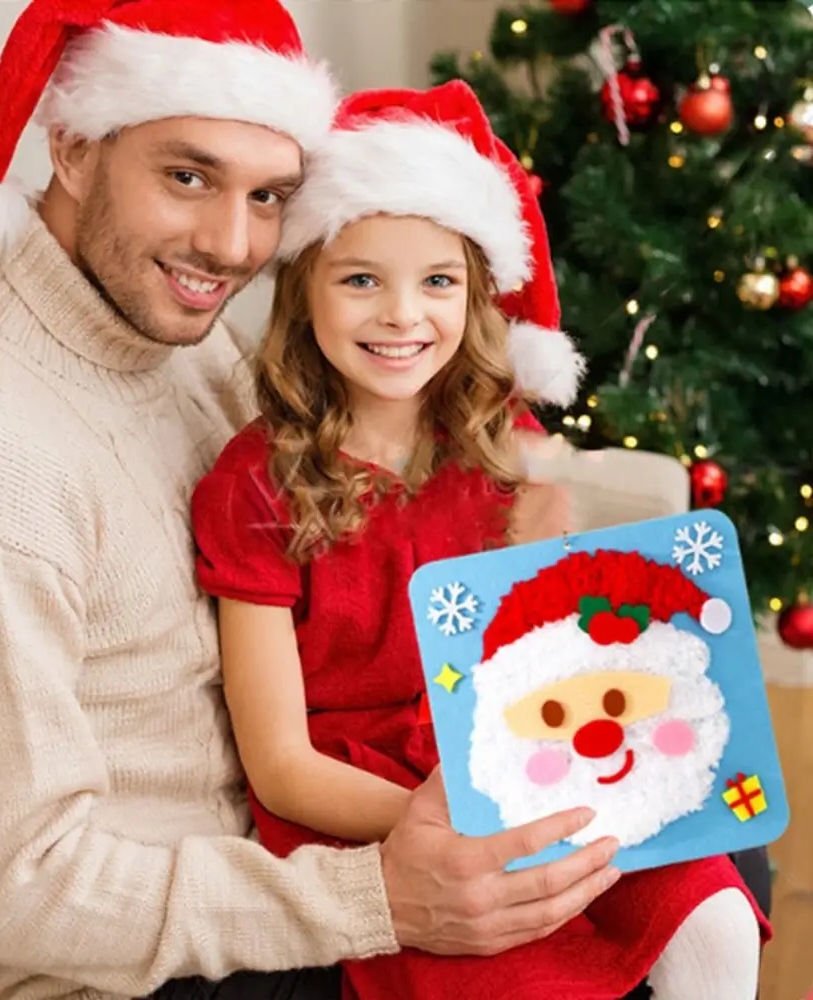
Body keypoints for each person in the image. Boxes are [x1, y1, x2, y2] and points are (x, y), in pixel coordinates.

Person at [0, 3, 632, 999]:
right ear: (74, 147)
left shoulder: (165, 334)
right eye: (188, 176)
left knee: (684, 849)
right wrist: (383, 896)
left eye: (269, 197)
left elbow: (339, 536)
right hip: (161, 969)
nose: (231, 243)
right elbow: (21, 884)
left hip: (301, 858)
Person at [190, 82, 771, 1000]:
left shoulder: (488, 460)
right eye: (360, 279)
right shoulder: (254, 484)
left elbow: (544, 665)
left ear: (473, 298)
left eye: (437, 282)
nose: (401, 314)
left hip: (531, 756)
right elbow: (281, 764)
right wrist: (462, 818)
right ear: (304, 291)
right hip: (384, 814)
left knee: (716, 908)